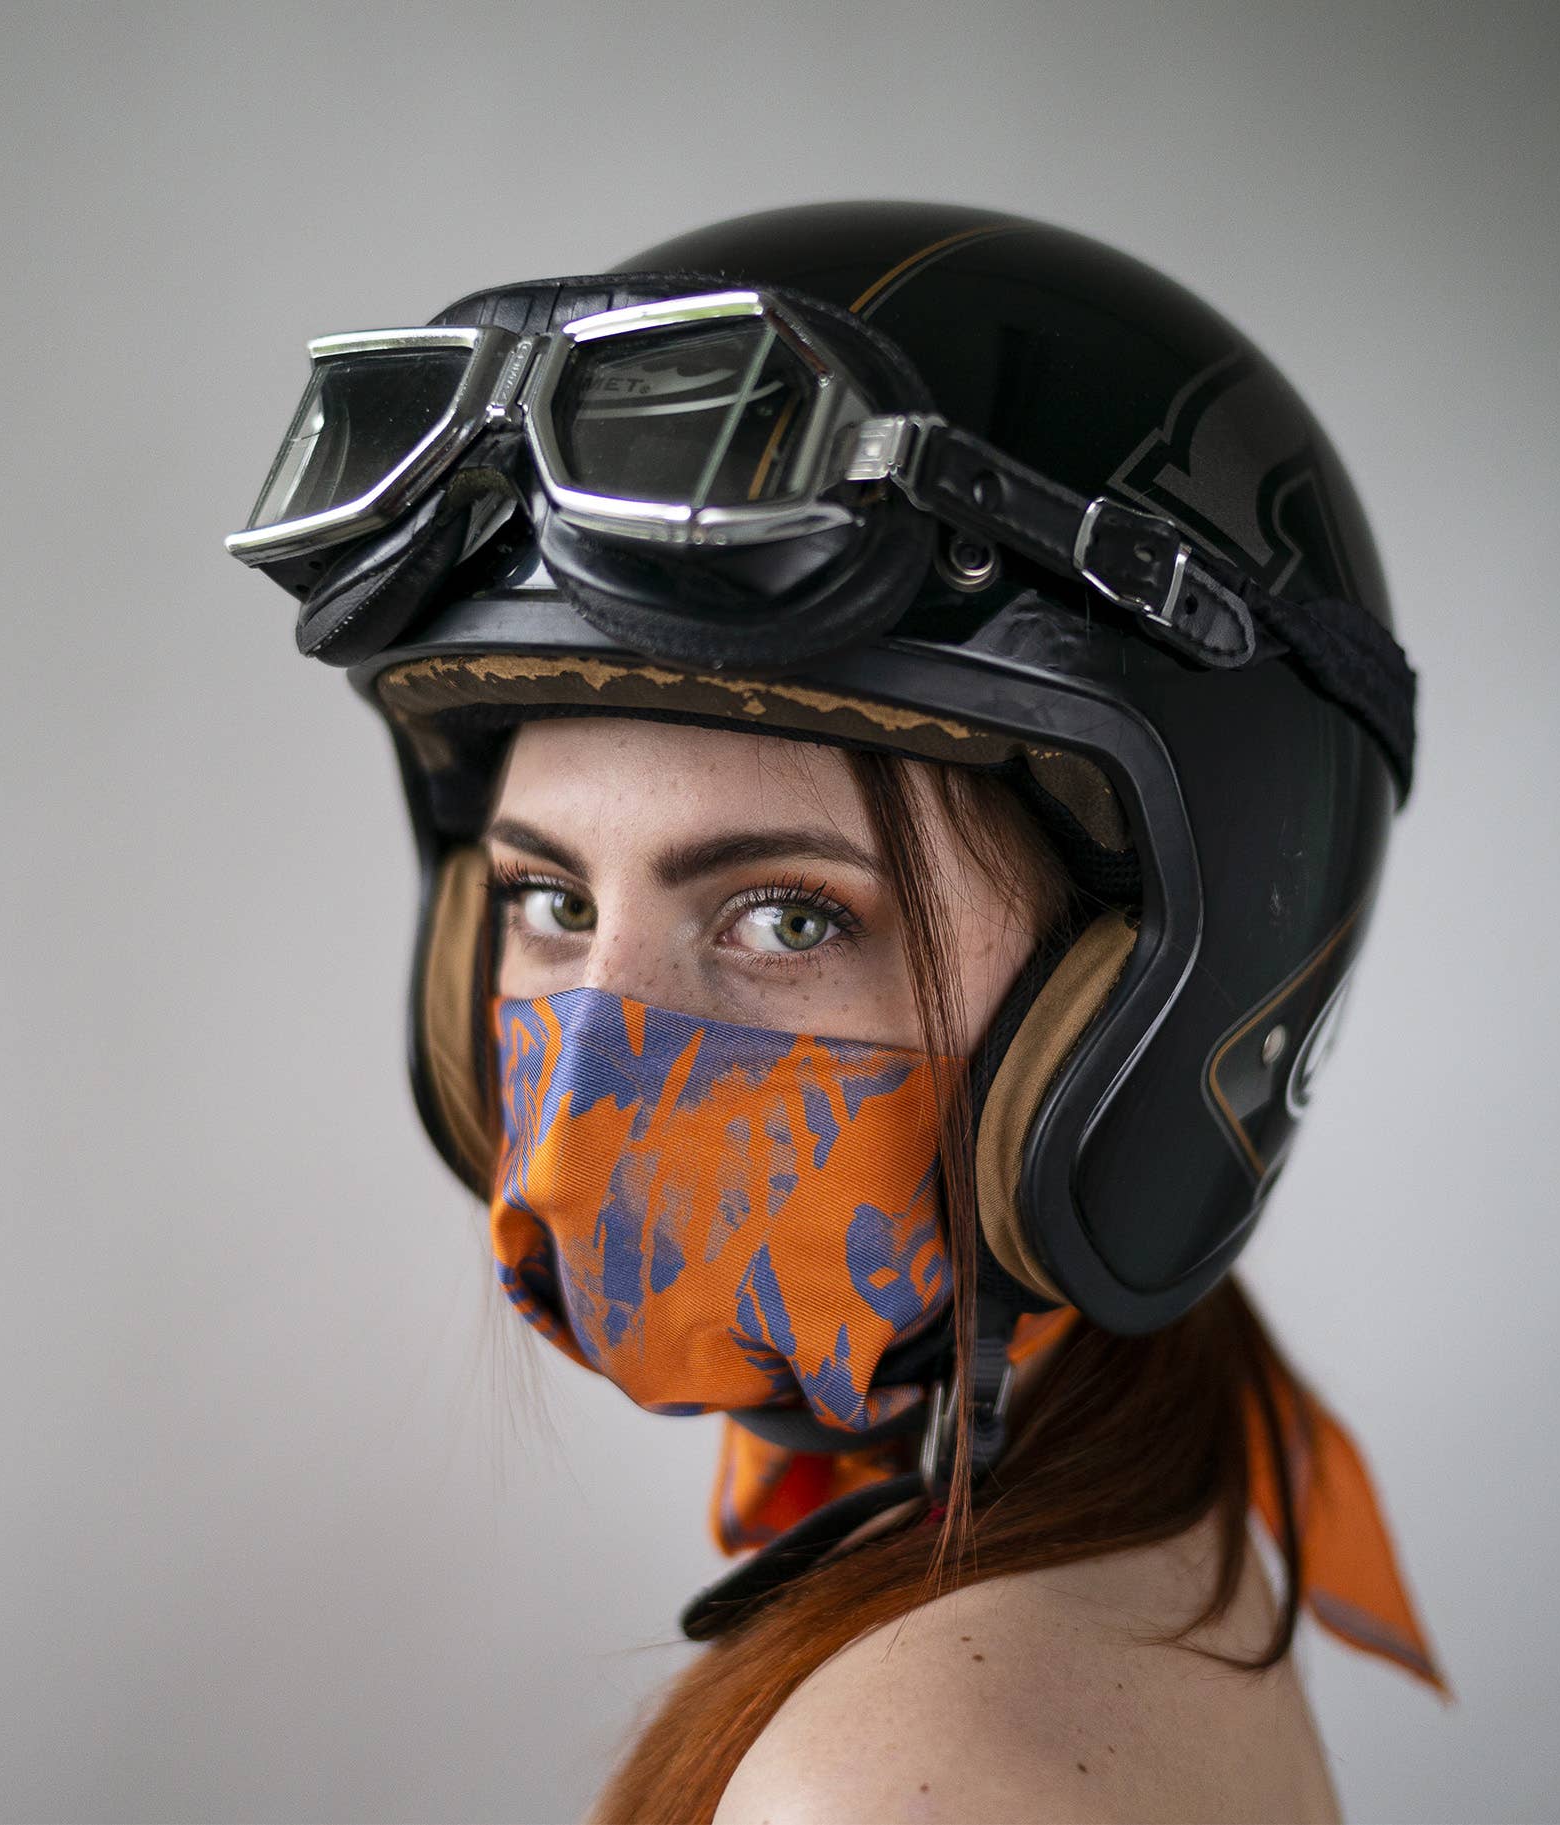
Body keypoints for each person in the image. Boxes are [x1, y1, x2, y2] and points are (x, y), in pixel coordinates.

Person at [226, 201, 1445, 1822]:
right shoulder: (1157, 1563)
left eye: (789, 917)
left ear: (1141, 1000)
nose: (584, 1106)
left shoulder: (911, 1781)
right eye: (549, 901)